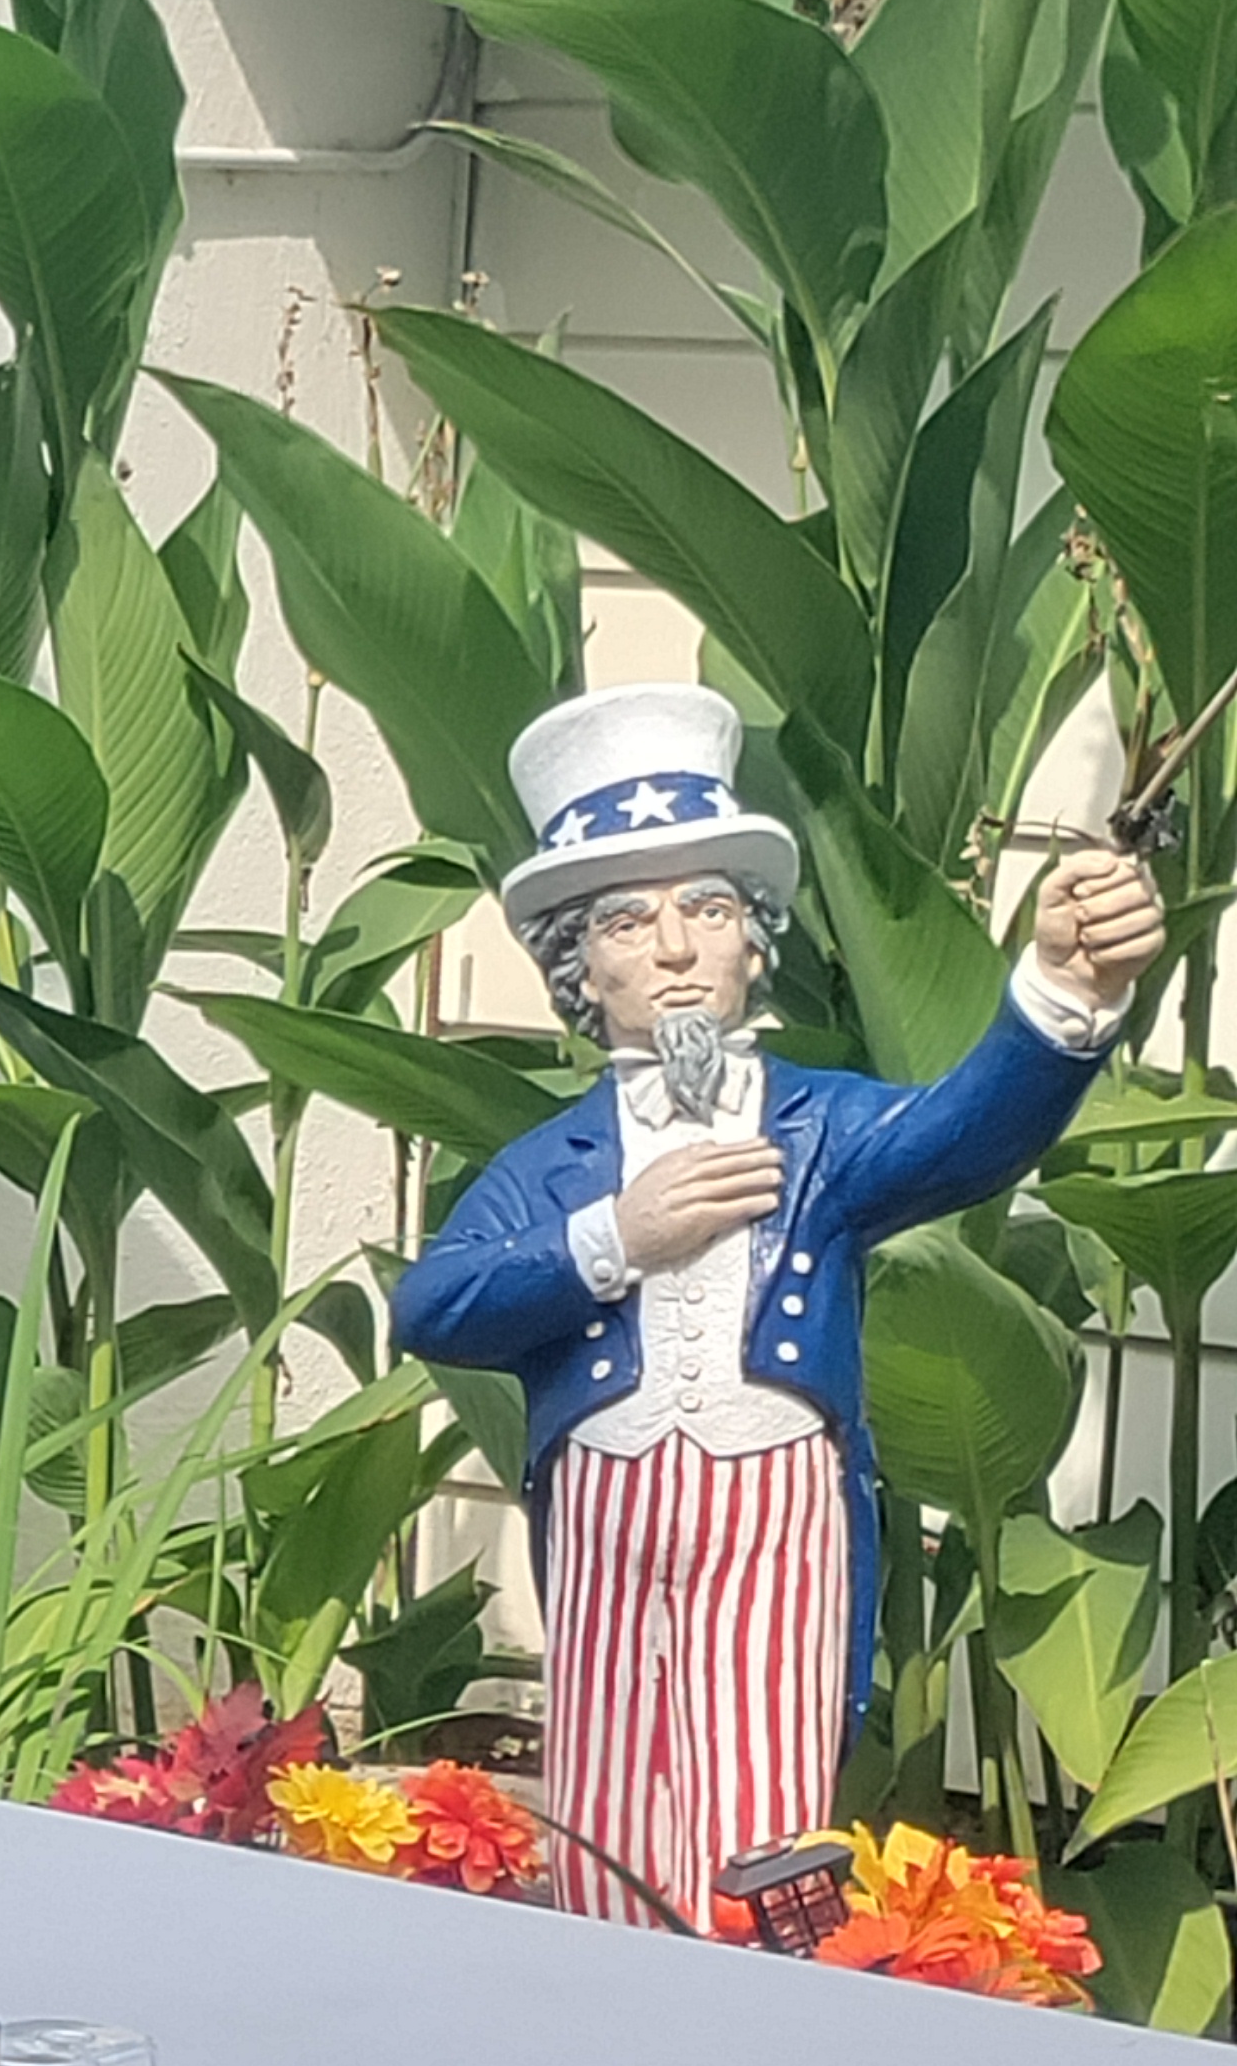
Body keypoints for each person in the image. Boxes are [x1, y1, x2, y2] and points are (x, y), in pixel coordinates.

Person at [392, 682, 1161, 1930]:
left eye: (706, 909)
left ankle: (757, 2009)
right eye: (629, 921)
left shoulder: (816, 1131)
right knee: (603, 1797)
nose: (675, 949)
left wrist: (1060, 993)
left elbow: (962, 1135)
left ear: (755, 941)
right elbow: (433, 1305)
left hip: (776, 1502)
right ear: (579, 966)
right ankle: (600, 1997)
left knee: (764, 1802)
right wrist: (614, 1238)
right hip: (605, 1504)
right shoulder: (554, 1166)